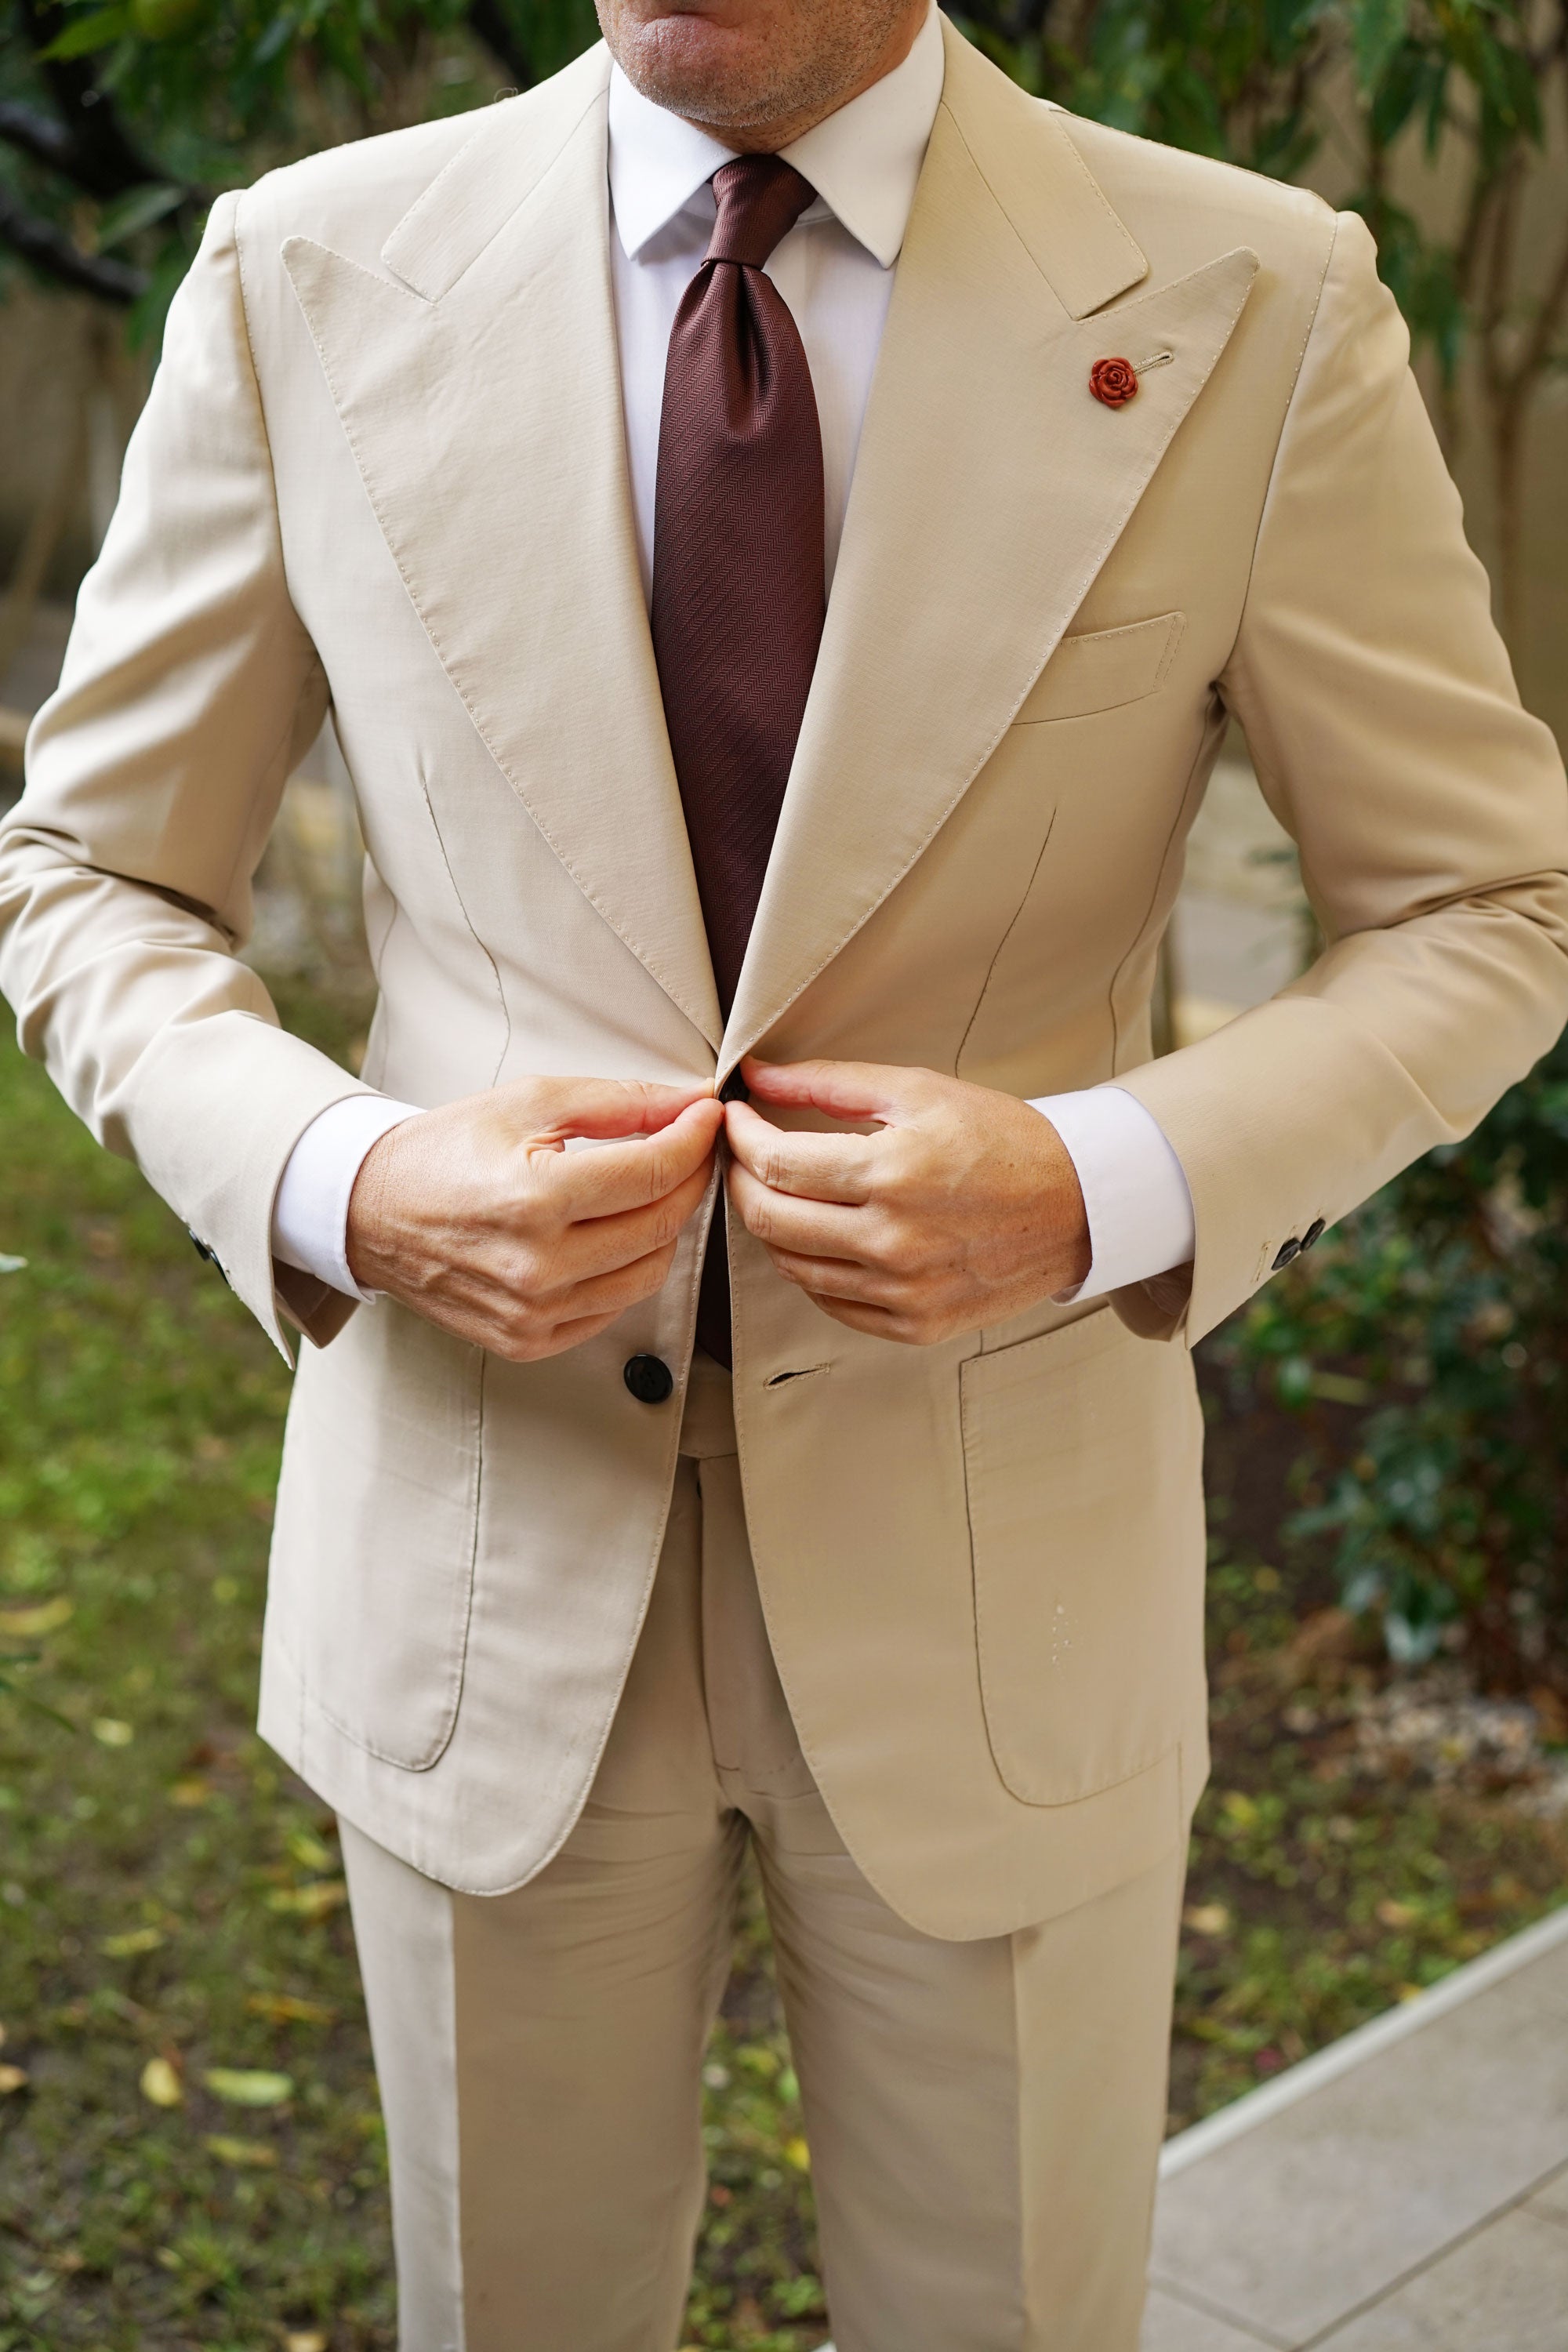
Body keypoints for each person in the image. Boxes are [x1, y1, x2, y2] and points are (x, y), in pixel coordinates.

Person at [3, 0, 1566, 2342]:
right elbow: (89, 876)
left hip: (1004, 1565)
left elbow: (1484, 905)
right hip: (474, 1558)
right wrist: (341, 1175)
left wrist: (1106, 1174)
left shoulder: (1253, 295)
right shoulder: (304, 268)